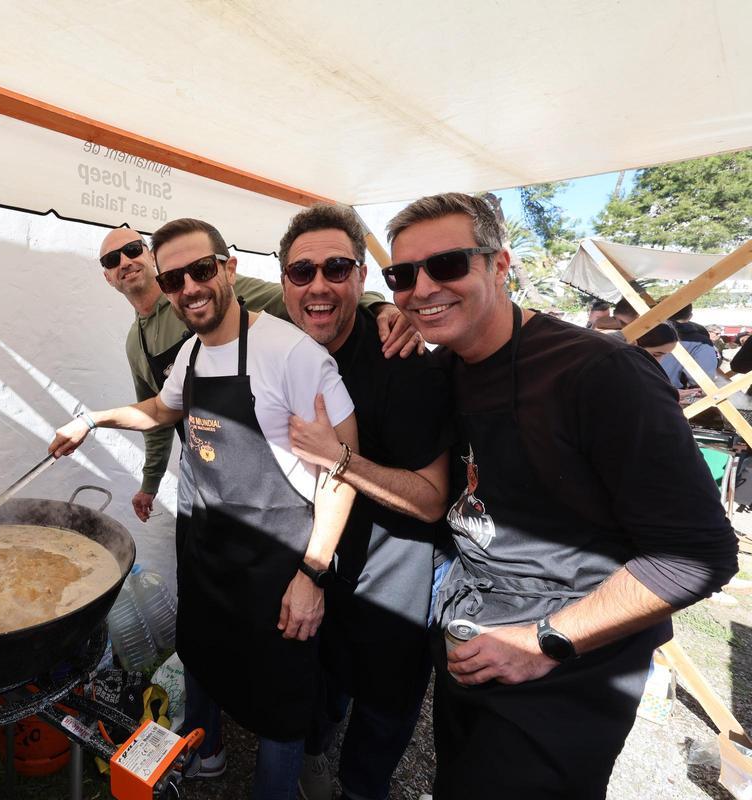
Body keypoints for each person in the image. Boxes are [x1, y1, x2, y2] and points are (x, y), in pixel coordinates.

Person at [383, 192, 738, 799]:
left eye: (446, 265)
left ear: (500, 265)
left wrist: (546, 640)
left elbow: (696, 554)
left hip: (568, 662)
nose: (421, 288)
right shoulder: (448, 368)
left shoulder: (599, 373)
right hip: (474, 642)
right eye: (401, 275)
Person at [55, 218, 358, 800]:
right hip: (207, 553)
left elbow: (342, 472)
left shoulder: (291, 351)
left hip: (277, 563)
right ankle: (207, 755)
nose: (190, 286)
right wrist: (93, 419)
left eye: (201, 270)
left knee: (281, 698)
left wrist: (313, 573)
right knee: (202, 656)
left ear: (229, 268)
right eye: (175, 278)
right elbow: (161, 412)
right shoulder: (190, 353)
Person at [277, 204, 455, 800]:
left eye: (336, 268)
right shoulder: (280, 349)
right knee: (319, 680)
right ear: (283, 283)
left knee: (384, 705)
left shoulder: (402, 364)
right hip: (315, 560)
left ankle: (361, 788)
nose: (318, 285)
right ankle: (316, 756)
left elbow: (432, 502)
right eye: (302, 272)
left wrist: (341, 458)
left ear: (359, 277)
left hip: (390, 575)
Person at [97, 226, 417, 522]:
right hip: (206, 476)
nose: (125, 261)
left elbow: (302, 296)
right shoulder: (135, 345)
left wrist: (376, 306)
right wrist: (150, 482)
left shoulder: (213, 294)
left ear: (150, 258)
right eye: (113, 260)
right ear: (108, 278)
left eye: (133, 249)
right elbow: (157, 415)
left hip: (269, 485)